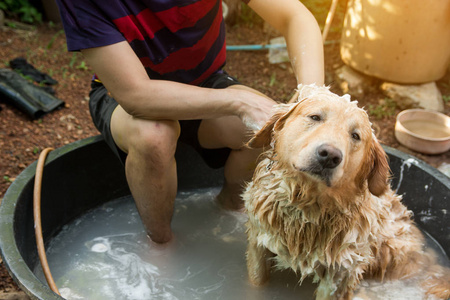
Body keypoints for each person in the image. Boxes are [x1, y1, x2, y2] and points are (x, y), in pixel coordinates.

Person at [55, 0, 324, 244]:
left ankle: (231, 212)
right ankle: (160, 245)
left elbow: (294, 15)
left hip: (205, 80)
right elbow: (136, 95)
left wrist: (312, 96)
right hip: (124, 96)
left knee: (271, 128)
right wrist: (239, 103)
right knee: (155, 136)